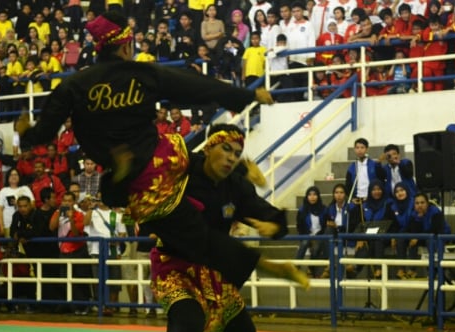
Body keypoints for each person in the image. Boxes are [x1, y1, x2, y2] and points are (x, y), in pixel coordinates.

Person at [18, 12, 305, 300]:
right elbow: (196, 87)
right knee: (200, 179)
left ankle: (122, 170)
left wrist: (26, 132)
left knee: (184, 228)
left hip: (143, 186)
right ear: (126, 46)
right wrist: (246, 96)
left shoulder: (73, 85)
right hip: (167, 156)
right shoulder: (142, 74)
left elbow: (44, 133)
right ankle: (265, 255)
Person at [149, 125, 308, 332]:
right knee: (188, 325)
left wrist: (273, 225)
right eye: (226, 149)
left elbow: (266, 213)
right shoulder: (184, 170)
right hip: (175, 268)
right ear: (210, 146)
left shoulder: (235, 186)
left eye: (237, 153)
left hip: (215, 272)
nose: (232, 158)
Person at [49, 191, 92, 315]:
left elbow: (77, 233)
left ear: (74, 202)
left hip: (78, 250)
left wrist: (71, 218)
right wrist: (59, 213)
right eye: (65, 200)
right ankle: (76, 305)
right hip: (63, 251)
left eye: (69, 201)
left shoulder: (78, 215)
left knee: (80, 280)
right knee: (65, 280)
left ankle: (84, 306)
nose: (67, 203)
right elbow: (52, 227)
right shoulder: (57, 213)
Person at [295, 186, 329, 278]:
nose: (312, 197)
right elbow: (300, 227)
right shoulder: (302, 210)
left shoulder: (324, 209)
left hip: (320, 236)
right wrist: (308, 237)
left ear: (318, 196)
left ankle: (311, 269)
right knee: (305, 242)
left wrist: (317, 236)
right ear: (307, 197)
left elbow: (326, 226)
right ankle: (295, 268)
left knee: (316, 246)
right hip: (307, 236)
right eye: (310, 195)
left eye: (314, 194)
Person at [0, 168, 35, 237]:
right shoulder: (3, 191)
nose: (13, 176)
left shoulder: (25, 188)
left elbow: (33, 204)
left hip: (25, 224)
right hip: (7, 223)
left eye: (16, 174)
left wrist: (19, 204)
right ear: (7, 177)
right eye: (11, 175)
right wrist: (1, 227)